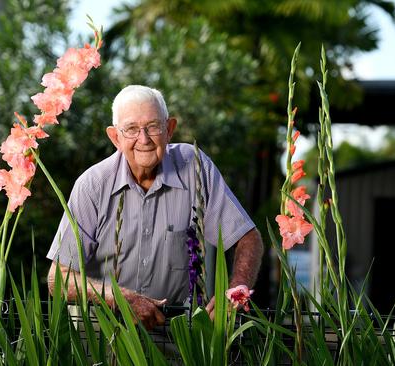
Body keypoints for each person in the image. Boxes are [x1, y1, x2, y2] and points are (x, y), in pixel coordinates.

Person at [46, 85, 263, 330]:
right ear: (115, 137)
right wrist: (122, 299)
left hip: (174, 337)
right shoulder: (93, 185)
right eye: (131, 129)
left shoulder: (195, 168)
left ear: (169, 129)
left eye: (153, 127)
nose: (144, 139)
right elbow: (58, 279)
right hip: (102, 341)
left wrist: (235, 290)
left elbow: (248, 238)